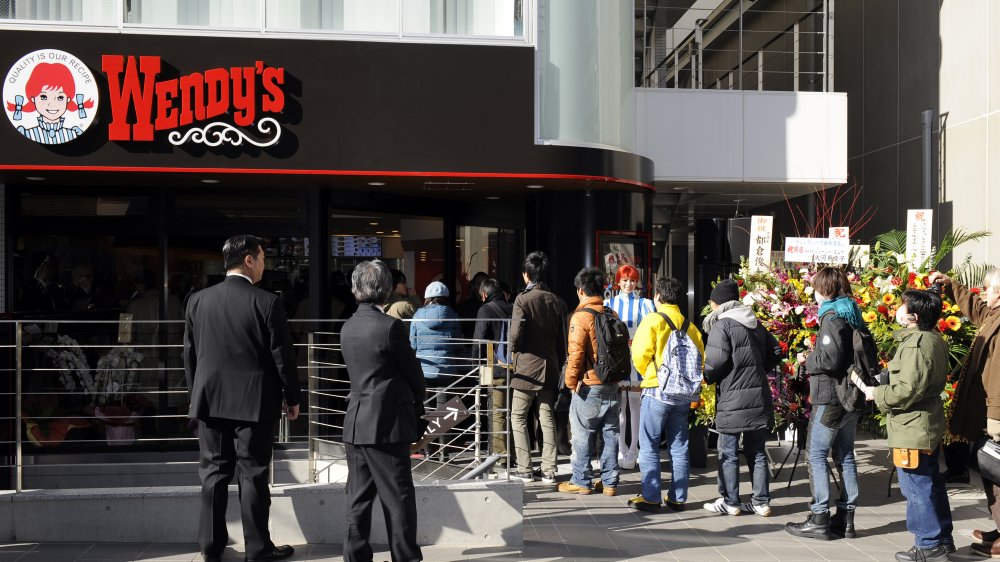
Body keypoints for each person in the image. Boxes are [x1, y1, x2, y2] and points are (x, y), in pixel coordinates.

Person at [183, 235, 300, 562]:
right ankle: (258, 548)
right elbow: (283, 356)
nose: (265, 263)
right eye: (262, 257)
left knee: (213, 475)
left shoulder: (198, 300)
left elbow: (189, 355)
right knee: (252, 476)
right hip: (255, 403)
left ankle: (210, 546)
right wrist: (293, 397)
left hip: (209, 401)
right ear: (248, 260)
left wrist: (195, 397)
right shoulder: (266, 302)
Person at [341, 259, 425, 562]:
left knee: (358, 498)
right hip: (387, 425)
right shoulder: (390, 327)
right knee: (398, 497)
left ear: (356, 289)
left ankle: (355, 556)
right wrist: (419, 398)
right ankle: (405, 557)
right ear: (386, 289)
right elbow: (413, 372)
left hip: (356, 423)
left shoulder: (348, 326)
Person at [864, 289, 954, 562]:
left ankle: (927, 544)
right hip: (923, 423)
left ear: (913, 316)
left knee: (915, 485)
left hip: (912, 425)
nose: (897, 309)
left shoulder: (917, 344)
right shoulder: (933, 339)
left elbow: (907, 389)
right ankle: (942, 540)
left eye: (902, 306)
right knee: (930, 482)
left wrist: (876, 394)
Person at [785, 267, 864, 540]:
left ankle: (819, 517)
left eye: (816, 287)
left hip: (830, 396)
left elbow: (830, 360)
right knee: (845, 455)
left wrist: (808, 360)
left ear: (825, 289)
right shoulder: (852, 313)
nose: (814, 293)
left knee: (816, 454)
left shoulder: (832, 316)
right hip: (851, 396)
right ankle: (846, 518)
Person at [929, 268, 1000, 556]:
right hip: (989, 411)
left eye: (988, 288)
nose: (983, 293)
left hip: (996, 412)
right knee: (989, 469)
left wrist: (996, 414)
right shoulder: (994, 315)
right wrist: (952, 285)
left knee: (996, 472)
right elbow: (978, 310)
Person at [701, 279, 782, 517]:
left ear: (717, 303)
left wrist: (708, 377)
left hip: (732, 398)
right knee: (756, 450)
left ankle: (731, 501)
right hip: (758, 395)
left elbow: (715, 363)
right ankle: (761, 502)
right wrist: (758, 370)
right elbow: (777, 351)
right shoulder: (754, 323)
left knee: (727, 451)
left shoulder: (722, 325)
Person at [627, 277, 704, 512]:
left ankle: (651, 497)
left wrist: (649, 375)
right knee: (679, 446)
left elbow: (639, 354)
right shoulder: (690, 326)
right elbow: (700, 357)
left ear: (658, 297)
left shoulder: (652, 320)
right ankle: (677, 497)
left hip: (657, 391)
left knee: (649, 445)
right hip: (683, 395)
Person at [559, 267, 621, 496]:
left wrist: (569, 382)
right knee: (610, 434)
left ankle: (581, 480)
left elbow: (575, 355)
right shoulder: (611, 314)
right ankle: (610, 482)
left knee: (583, 434)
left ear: (580, 290)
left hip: (588, 386)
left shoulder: (580, 317)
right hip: (612, 384)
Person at [508, 251, 567, 483]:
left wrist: (513, 352)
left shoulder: (522, 299)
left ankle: (524, 468)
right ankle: (549, 469)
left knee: (518, 416)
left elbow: (515, 336)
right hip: (550, 367)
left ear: (526, 275)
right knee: (547, 417)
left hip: (526, 368)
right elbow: (562, 340)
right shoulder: (557, 301)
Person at [604, 264, 655, 470]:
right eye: (625, 280)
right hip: (618, 357)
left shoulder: (646, 304)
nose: (628, 284)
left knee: (635, 405)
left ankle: (634, 449)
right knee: (619, 407)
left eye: (632, 280)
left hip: (638, 357)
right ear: (618, 281)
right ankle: (621, 448)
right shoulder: (610, 303)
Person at [410, 281, 463, 459]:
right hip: (446, 368)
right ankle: (444, 452)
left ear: (427, 298)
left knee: (426, 410)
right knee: (445, 410)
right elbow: (458, 342)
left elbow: (413, 344)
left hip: (424, 369)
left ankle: (427, 451)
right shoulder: (453, 316)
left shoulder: (417, 316)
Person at [474, 278, 514, 460]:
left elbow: (479, 340)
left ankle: (501, 456)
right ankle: (513, 454)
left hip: (493, 367)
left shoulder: (485, 310)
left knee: (497, 412)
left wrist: (475, 366)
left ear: (484, 294)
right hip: (514, 367)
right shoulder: (513, 307)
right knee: (513, 414)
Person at [6, 62, 93, 145]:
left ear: (68, 99)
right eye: (44, 97)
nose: (52, 104)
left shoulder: (73, 133)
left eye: (60, 97)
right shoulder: (28, 133)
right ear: (33, 99)